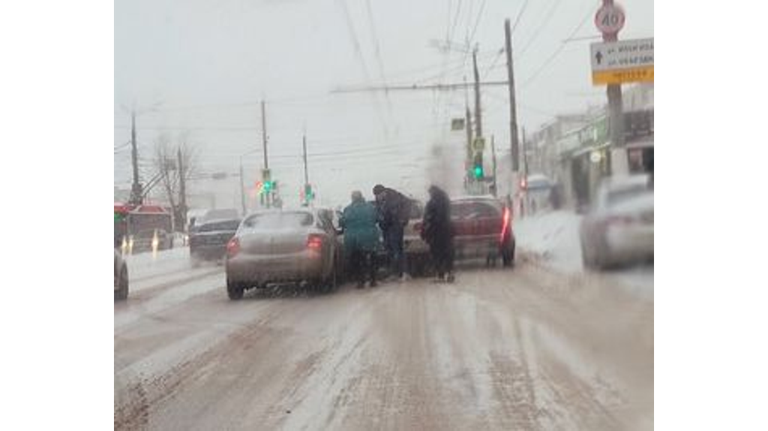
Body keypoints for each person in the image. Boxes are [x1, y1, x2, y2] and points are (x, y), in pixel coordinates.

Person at [340, 191, 380, 288]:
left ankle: (360, 281)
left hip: (354, 239)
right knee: (373, 258)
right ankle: (373, 280)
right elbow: (377, 218)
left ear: (352, 198)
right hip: (370, 236)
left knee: (358, 260)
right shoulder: (371, 207)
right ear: (362, 197)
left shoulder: (348, 209)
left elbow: (342, 222)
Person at [372, 184, 410, 281]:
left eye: (378, 195)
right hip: (386, 227)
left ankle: (403, 272)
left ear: (383, 192)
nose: (377, 197)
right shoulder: (379, 201)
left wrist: (403, 219)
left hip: (395, 226)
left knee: (397, 249)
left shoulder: (395, 197)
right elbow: (379, 212)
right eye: (376, 196)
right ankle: (395, 273)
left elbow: (407, 204)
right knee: (390, 250)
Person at [421, 185, 455, 283]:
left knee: (437, 254)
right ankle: (449, 272)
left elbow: (429, 217)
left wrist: (428, 226)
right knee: (447, 253)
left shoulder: (433, 202)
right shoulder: (445, 200)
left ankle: (441, 273)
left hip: (436, 232)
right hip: (446, 231)